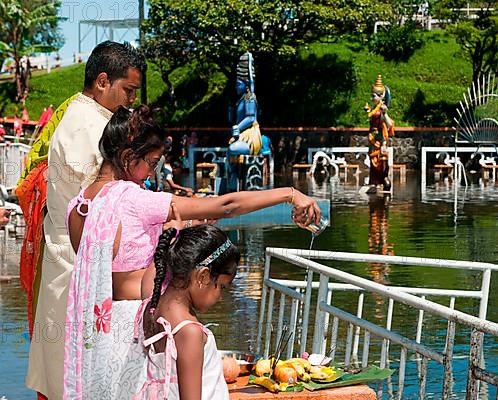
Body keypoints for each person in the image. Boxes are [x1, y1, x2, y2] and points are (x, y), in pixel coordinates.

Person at [63, 106, 320, 398]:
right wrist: (289, 193)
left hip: (101, 336)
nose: (151, 173)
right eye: (152, 162)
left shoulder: (78, 206)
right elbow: (227, 206)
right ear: (126, 158)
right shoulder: (135, 199)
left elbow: (106, 270)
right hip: (145, 332)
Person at [26, 40, 146, 400]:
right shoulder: (84, 126)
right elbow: (99, 205)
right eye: (128, 90)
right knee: (78, 377)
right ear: (102, 82)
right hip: (77, 267)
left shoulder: (93, 119)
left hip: (79, 263)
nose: (131, 100)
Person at [136, 225, 238, 399]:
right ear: (203, 276)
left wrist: (176, 238)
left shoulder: (151, 307)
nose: (220, 296)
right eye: (221, 286)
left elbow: (150, 277)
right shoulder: (190, 332)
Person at [364, 75, 395, 192]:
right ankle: (375, 183)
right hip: (372, 137)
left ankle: (383, 181)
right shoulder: (374, 108)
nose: (372, 98)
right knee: (373, 162)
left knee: (380, 162)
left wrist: (383, 143)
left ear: (381, 96)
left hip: (379, 138)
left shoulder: (382, 109)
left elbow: (387, 125)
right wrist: (368, 111)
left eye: (374, 96)